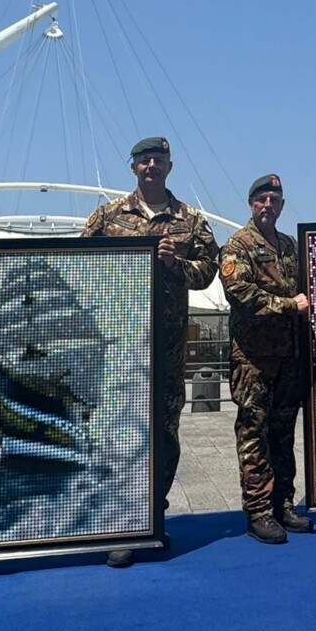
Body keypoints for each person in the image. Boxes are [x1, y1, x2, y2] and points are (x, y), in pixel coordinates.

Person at [81, 136, 219, 567]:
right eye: (144, 160)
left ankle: (151, 514)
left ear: (169, 166)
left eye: (158, 159)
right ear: (133, 167)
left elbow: (208, 271)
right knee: (116, 430)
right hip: (119, 348)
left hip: (167, 349)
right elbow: (79, 263)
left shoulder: (190, 221)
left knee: (163, 432)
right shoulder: (107, 216)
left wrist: (177, 264)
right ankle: (121, 522)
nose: (151, 166)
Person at [220, 174, 312, 544]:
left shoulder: (290, 247)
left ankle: (283, 504)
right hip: (253, 360)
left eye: (274, 199)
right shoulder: (238, 245)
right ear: (251, 204)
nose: (267, 205)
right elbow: (239, 292)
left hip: (289, 357)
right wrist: (288, 305)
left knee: (283, 433)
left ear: (282, 205)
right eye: (261, 199)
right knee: (254, 434)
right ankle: (258, 511)